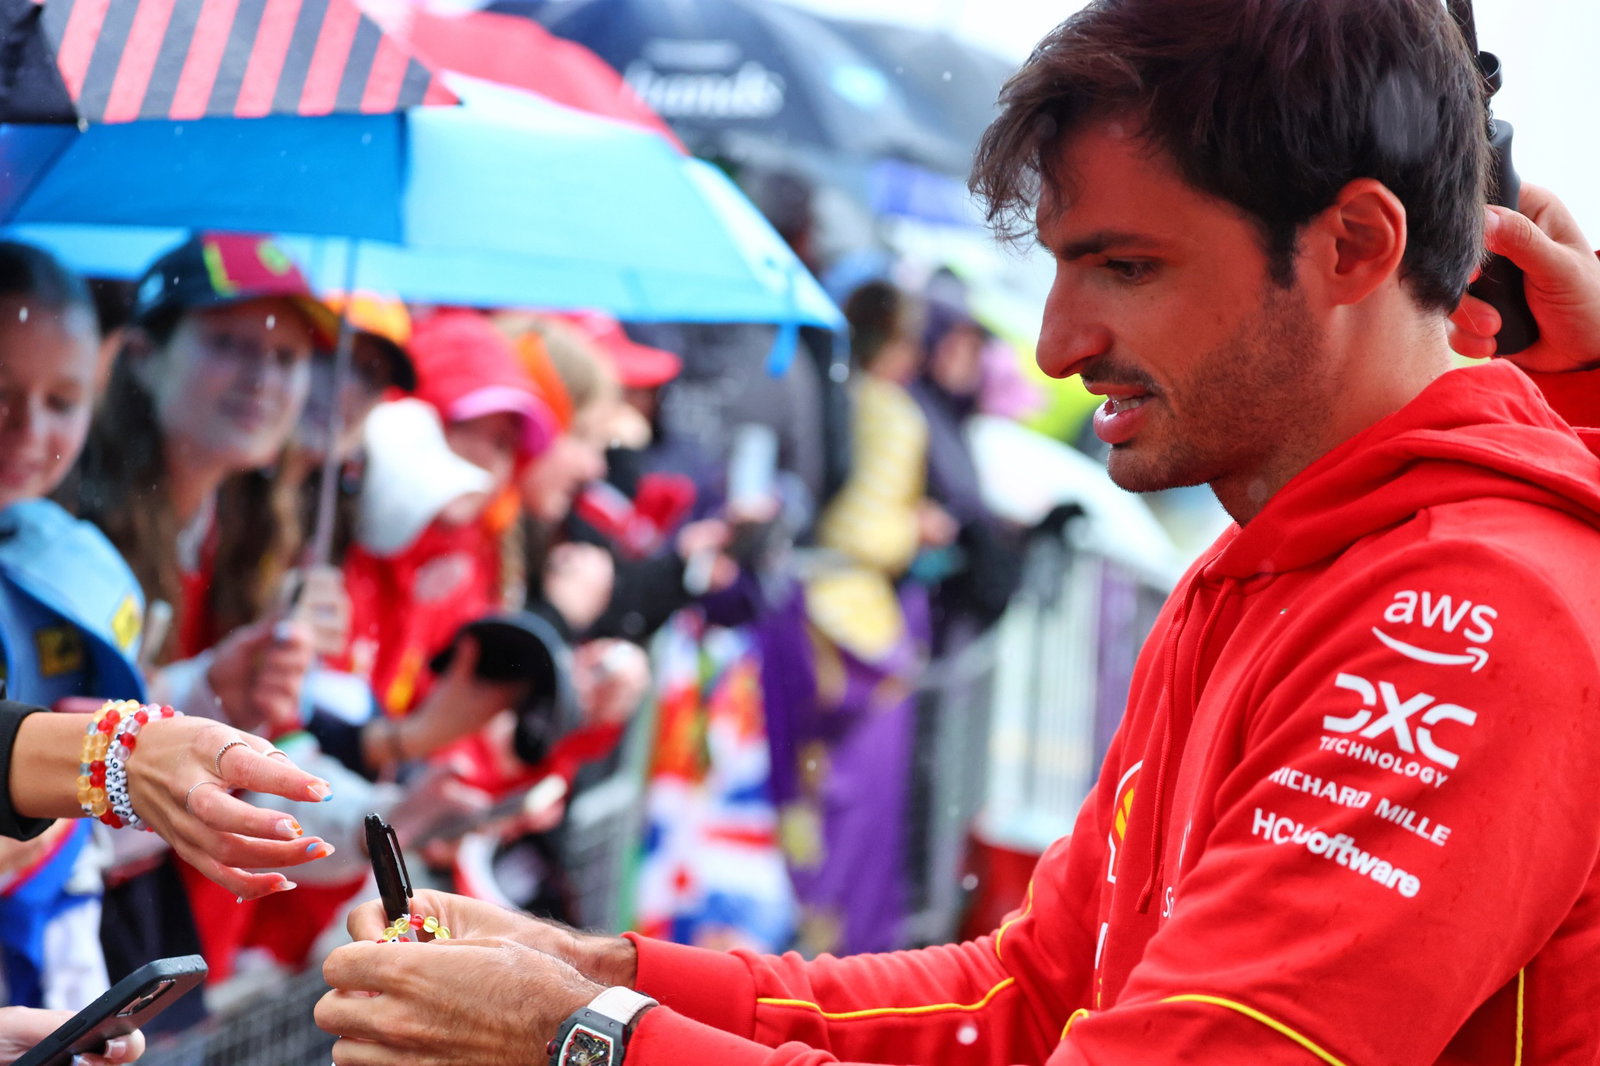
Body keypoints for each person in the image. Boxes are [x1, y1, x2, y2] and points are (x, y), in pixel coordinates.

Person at [318, 2, 1600, 1064]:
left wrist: (592, 1037)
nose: (1055, 343)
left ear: (1355, 245)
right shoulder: (1261, 567)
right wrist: (599, 968)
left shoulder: (1474, 610)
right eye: (1057, 265)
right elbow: (1027, 994)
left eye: (1126, 266)